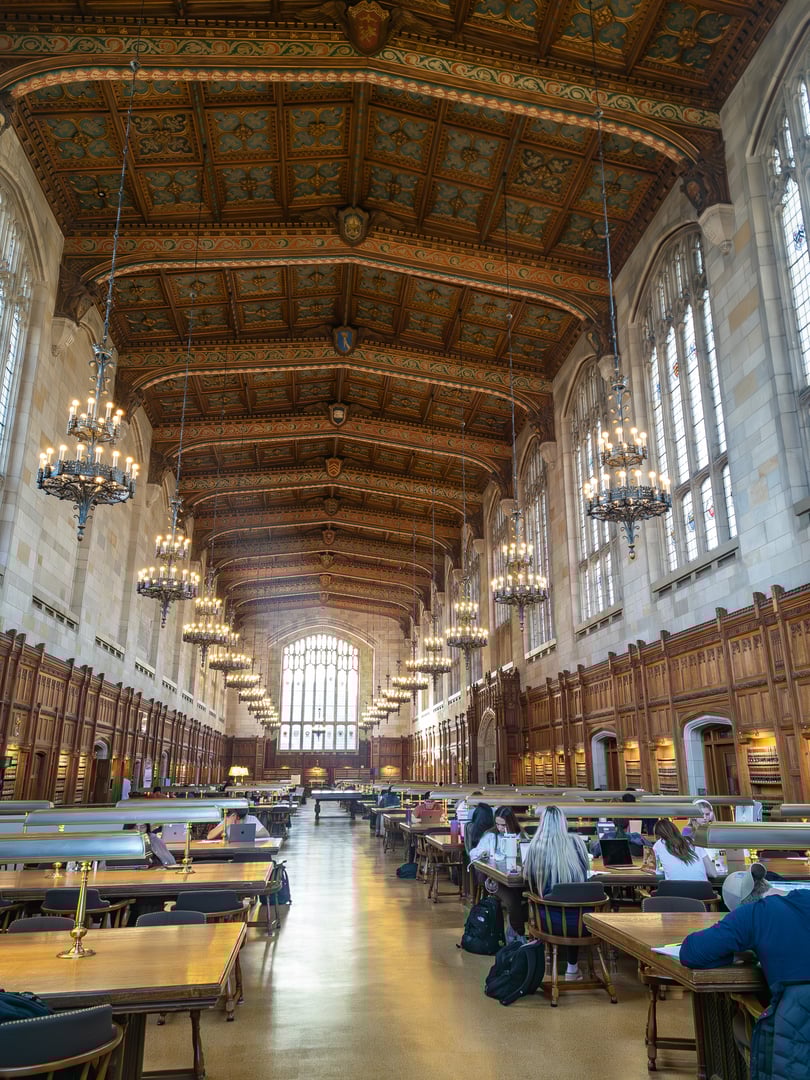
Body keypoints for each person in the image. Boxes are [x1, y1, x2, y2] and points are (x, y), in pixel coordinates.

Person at [680, 865, 810, 1078]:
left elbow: (691, 951)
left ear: (740, 905)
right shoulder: (804, 897)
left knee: (740, 1024)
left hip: (798, 1024)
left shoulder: (753, 913)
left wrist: (735, 952)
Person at [523, 805, 591, 979]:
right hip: (582, 921)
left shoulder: (535, 847)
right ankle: (572, 968)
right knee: (573, 906)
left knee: (544, 901)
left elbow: (530, 882)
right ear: (563, 822)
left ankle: (535, 957)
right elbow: (585, 874)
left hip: (549, 919)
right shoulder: (577, 842)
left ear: (542, 822)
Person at [468, 806, 529, 937]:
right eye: (497, 824)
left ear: (511, 822)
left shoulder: (521, 835)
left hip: (518, 880)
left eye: (503, 824)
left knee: (527, 901)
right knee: (513, 901)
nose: (500, 827)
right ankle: (518, 935)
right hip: (495, 880)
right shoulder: (491, 835)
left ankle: (516, 932)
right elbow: (474, 853)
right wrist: (482, 854)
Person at [646, 818, 714, 880]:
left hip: (675, 891)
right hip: (703, 891)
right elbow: (713, 873)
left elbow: (659, 872)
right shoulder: (694, 842)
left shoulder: (658, 845)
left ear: (658, 835)